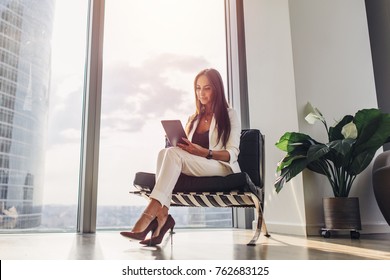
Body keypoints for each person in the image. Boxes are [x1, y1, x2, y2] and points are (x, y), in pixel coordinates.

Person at [120, 68, 241, 246]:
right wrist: (177, 144)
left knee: (171, 154)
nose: (201, 93)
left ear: (217, 89)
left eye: (207, 88)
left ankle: (150, 216)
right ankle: (162, 216)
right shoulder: (193, 119)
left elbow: (232, 153)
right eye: (198, 88)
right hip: (195, 164)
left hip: (220, 166)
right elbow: (184, 150)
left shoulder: (230, 115)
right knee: (165, 152)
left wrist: (204, 152)